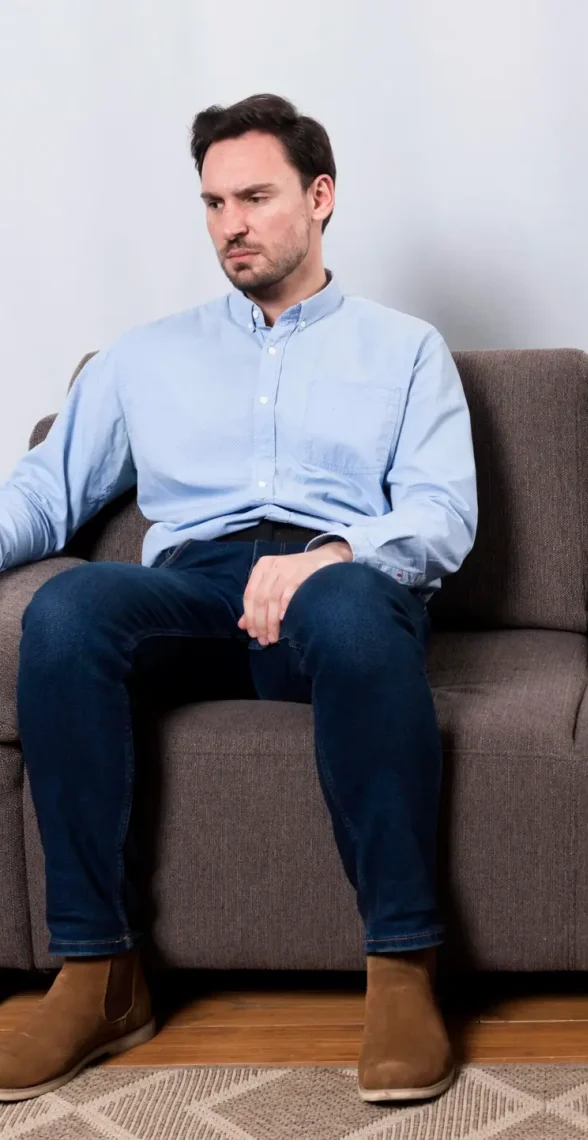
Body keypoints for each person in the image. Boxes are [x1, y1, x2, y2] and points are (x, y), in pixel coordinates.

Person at [0, 94, 476, 1105]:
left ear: (320, 197)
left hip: (336, 588)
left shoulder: (405, 351)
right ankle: (98, 973)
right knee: (67, 612)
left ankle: (402, 967)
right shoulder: (143, 356)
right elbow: (47, 490)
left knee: (352, 607)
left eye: (255, 197)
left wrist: (333, 553)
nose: (231, 225)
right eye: (213, 203)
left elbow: (440, 516)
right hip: (195, 594)